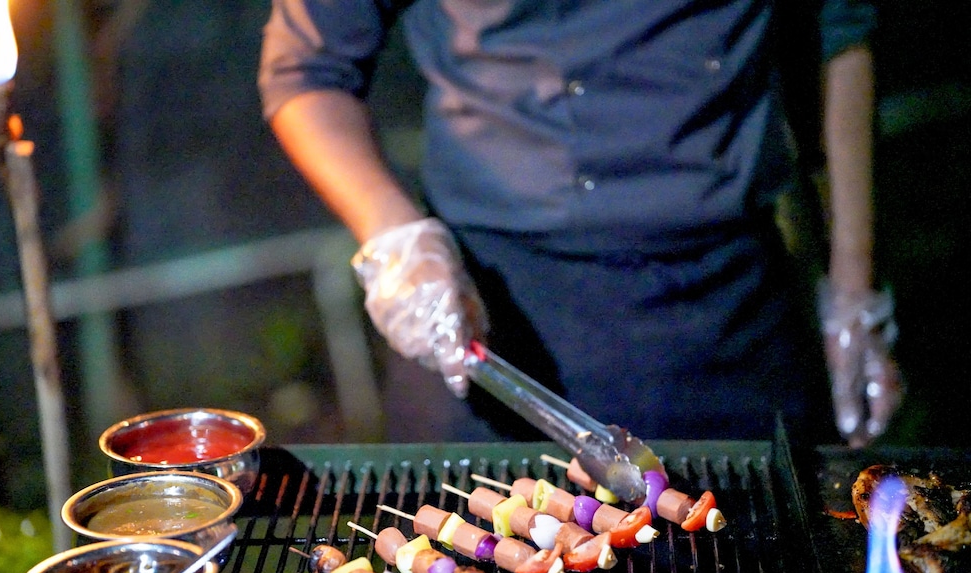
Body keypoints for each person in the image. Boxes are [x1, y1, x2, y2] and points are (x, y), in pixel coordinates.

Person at [257, 0, 901, 448]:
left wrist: (855, 283)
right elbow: (306, 69)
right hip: (495, 316)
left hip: (731, 302)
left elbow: (837, 27)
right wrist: (396, 235)